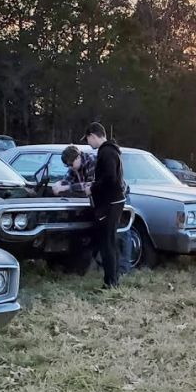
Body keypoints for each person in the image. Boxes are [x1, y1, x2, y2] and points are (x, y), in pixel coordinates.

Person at [52, 145, 133, 275]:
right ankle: (98, 267)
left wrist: (67, 188)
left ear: (78, 157)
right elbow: (68, 181)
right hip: (102, 202)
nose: (71, 167)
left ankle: (124, 269)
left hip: (118, 198)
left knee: (121, 233)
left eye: (71, 163)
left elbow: (90, 186)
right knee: (102, 234)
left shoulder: (93, 163)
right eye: (68, 165)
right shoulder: (74, 169)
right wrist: (59, 185)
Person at [85, 122, 126, 288]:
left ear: (93, 136)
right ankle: (114, 279)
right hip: (115, 201)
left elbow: (110, 178)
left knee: (107, 243)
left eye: (88, 139)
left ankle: (110, 282)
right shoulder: (112, 150)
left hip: (110, 203)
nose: (88, 143)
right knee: (111, 241)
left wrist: (93, 187)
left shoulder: (107, 152)